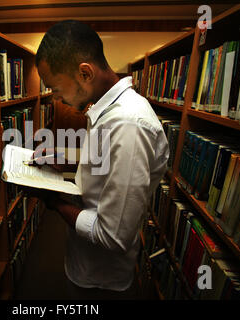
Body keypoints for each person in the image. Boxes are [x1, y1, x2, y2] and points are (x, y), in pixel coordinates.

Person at [32, 20, 169, 299]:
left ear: (84, 73)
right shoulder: (107, 110)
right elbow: (106, 167)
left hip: (101, 280)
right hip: (84, 261)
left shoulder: (129, 124)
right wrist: (68, 163)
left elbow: (112, 236)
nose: (56, 98)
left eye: (56, 89)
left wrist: (54, 202)